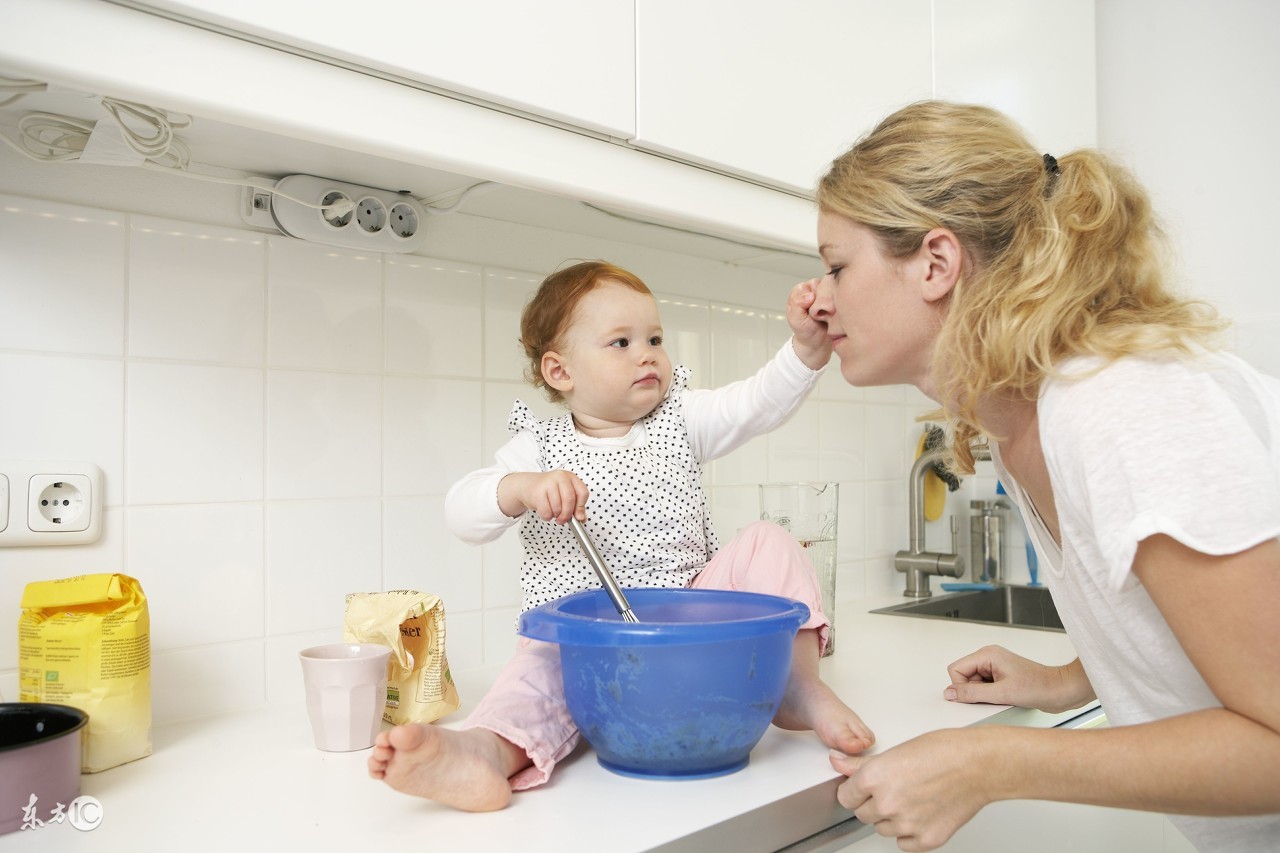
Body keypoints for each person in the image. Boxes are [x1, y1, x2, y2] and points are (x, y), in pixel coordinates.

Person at [808, 99, 1280, 852]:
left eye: (835, 265)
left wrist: (991, 761)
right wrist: (1075, 677)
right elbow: (1205, 623)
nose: (816, 298)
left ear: (936, 261)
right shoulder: (1023, 416)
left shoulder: (1117, 402)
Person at [368, 259, 875, 811]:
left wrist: (804, 351)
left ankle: (796, 685)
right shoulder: (538, 448)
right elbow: (461, 512)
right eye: (620, 342)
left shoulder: (680, 418)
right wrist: (520, 487)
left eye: (654, 338)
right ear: (560, 372)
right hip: (584, 648)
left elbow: (755, 404)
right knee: (533, 678)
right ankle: (483, 754)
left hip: (691, 632)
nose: (647, 353)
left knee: (769, 540)